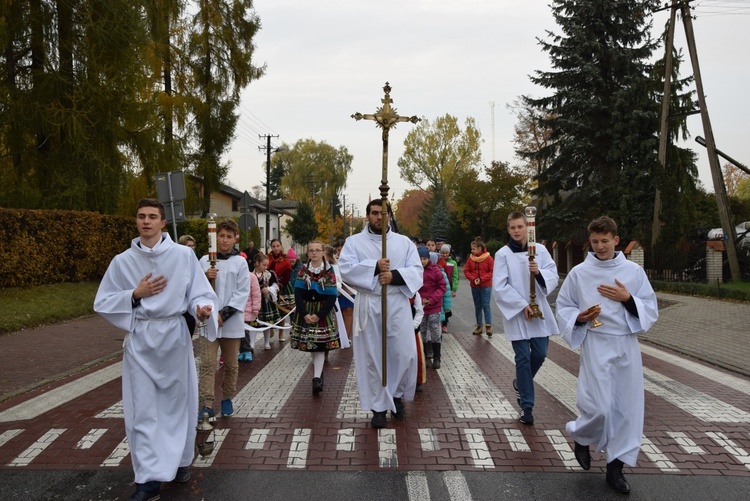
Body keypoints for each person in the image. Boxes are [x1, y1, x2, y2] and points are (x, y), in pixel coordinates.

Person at [94, 199, 217, 501]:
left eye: (152, 217)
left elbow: (198, 292)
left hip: (174, 337)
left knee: (176, 407)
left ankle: (177, 463)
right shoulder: (122, 261)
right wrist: (135, 295)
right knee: (144, 411)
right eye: (140, 216)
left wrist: (202, 310)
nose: (146, 221)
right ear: (135, 221)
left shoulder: (183, 255)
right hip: (141, 340)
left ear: (163, 222)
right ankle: (147, 480)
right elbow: (103, 301)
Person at [556, 216, 658, 495]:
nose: (600, 246)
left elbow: (650, 307)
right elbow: (563, 306)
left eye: (605, 241)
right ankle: (581, 435)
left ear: (616, 240)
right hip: (597, 342)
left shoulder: (634, 272)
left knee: (626, 408)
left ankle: (616, 468)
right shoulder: (579, 273)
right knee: (599, 407)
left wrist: (628, 300)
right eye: (595, 241)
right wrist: (579, 317)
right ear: (589, 242)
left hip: (625, 344)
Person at [338, 199, 423, 429]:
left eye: (383, 213)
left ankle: (395, 395)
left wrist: (394, 276)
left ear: (389, 216)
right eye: (374, 213)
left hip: (396, 303)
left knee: (404, 353)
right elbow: (345, 269)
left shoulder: (404, 242)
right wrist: (374, 267)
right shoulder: (354, 242)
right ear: (367, 216)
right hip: (370, 303)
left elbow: (417, 271)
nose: (379, 217)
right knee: (373, 357)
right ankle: (378, 406)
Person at [492, 211, 559, 425]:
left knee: (540, 353)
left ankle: (521, 383)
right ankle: (527, 406)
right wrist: (521, 305)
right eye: (513, 228)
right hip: (517, 313)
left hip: (538, 311)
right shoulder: (503, 254)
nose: (517, 231)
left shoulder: (539, 250)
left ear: (527, 228)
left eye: (520, 227)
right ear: (508, 229)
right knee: (522, 358)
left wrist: (538, 273)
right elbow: (499, 285)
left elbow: (553, 273)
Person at [198, 219, 251, 420]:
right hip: (207, 321)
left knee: (231, 364)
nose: (225, 240)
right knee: (207, 364)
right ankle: (206, 404)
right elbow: (194, 287)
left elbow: (241, 291)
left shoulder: (240, 262)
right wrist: (204, 275)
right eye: (221, 236)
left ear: (235, 239)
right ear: (214, 237)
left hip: (230, 321)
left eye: (229, 237)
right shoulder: (204, 260)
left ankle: (227, 397)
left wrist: (223, 314)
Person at [290, 241, 341, 394]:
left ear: (323, 253)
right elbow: (298, 292)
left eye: (317, 250)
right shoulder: (303, 270)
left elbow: (332, 295)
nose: (314, 253)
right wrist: (304, 313)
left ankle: (316, 378)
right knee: (312, 343)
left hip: (321, 310)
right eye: (311, 250)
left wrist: (319, 315)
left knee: (319, 344)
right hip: (306, 309)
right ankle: (318, 373)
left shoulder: (329, 270)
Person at [418, 248, 447, 368]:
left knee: (435, 330)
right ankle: (424, 355)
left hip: (434, 306)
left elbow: (442, 287)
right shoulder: (415, 271)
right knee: (422, 332)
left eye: (424, 259)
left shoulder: (435, 270)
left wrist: (431, 299)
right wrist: (419, 300)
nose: (422, 261)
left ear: (428, 259)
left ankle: (437, 357)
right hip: (421, 307)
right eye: (420, 259)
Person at [463, 237, 494, 336]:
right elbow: (467, 271)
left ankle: (488, 326)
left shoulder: (488, 258)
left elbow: (492, 271)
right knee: (477, 305)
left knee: (486, 305)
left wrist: (482, 279)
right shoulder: (471, 258)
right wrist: (473, 279)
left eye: (473, 249)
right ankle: (479, 326)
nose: (472, 251)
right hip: (475, 285)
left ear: (480, 248)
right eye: (471, 249)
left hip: (486, 285)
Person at [253, 253, 281, 350]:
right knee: (253, 323)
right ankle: (252, 343)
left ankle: (267, 342)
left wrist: (268, 289)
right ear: (257, 263)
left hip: (266, 302)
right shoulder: (251, 275)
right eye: (263, 265)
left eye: (267, 265)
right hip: (255, 302)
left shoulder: (269, 274)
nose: (266, 267)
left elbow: (276, 285)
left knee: (267, 323)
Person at [268, 239, 293, 341]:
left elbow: (287, 275)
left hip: (283, 287)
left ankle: (281, 333)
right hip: (270, 286)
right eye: (273, 246)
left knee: (283, 311)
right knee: (270, 309)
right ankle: (271, 329)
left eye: (278, 246)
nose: (276, 248)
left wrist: (280, 285)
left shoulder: (285, 259)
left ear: (281, 246)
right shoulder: (268, 258)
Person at [334, 239, 356, 341]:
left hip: (350, 290)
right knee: (339, 313)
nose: (340, 252)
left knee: (348, 311)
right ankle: (340, 335)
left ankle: (346, 337)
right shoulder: (334, 261)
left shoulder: (352, 260)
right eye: (338, 250)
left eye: (342, 250)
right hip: (338, 291)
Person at [239, 267, 262, 362]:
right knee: (238, 332)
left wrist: (256, 308)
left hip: (247, 309)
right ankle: (241, 351)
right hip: (237, 309)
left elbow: (256, 293)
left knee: (246, 331)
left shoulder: (251, 277)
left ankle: (247, 350)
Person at [439, 244, 459, 332]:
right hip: (439, 286)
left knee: (446, 306)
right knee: (440, 306)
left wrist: (454, 289)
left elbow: (455, 276)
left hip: (448, 287)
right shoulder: (438, 261)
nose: (445, 255)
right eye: (443, 253)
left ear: (449, 253)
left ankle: (445, 323)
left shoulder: (453, 263)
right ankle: (440, 322)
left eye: (446, 253)